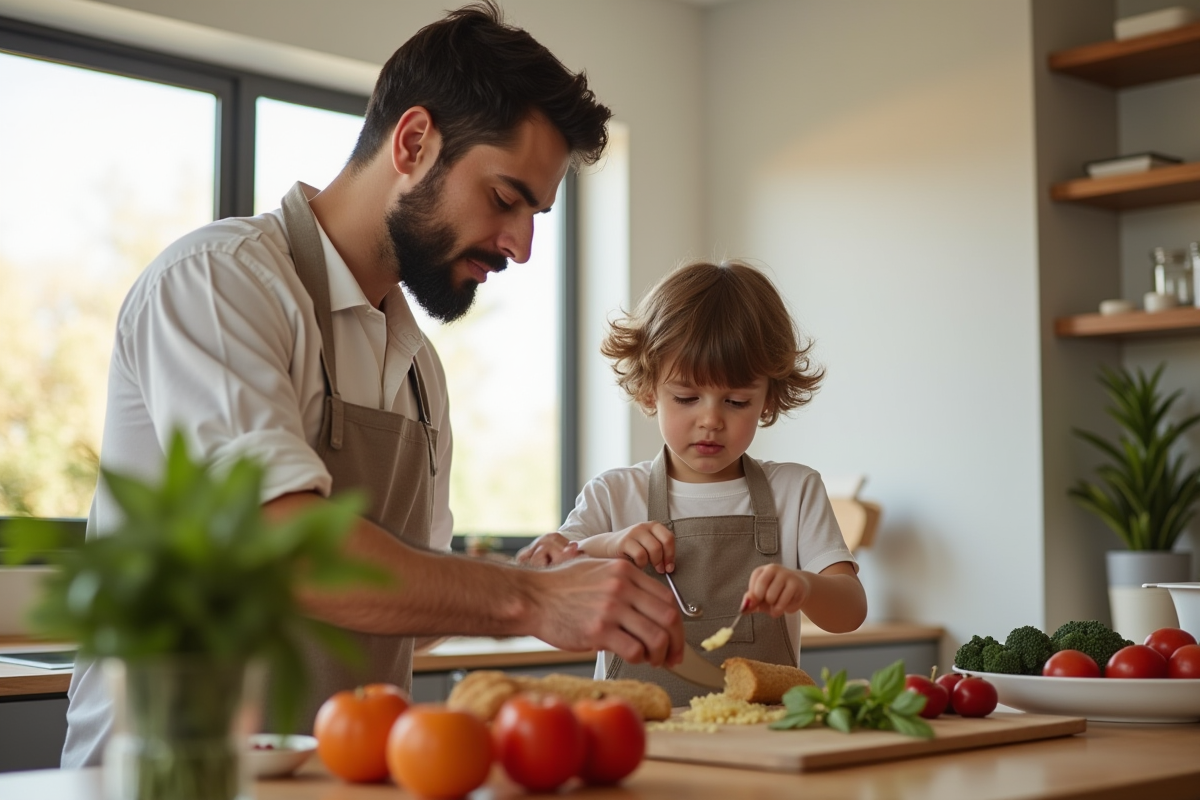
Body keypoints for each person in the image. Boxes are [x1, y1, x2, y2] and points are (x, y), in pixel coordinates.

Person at [61, 1, 684, 768]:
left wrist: (546, 572)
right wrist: (534, 600)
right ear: (415, 141)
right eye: (505, 198)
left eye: (537, 214)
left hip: (341, 777)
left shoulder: (418, 367)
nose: (522, 246)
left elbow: (411, 612)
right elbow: (282, 547)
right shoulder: (221, 283)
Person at [517, 260, 867, 706]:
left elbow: (851, 611)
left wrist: (807, 586)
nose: (710, 420)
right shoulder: (614, 495)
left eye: (736, 401)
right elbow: (537, 584)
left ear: (767, 400)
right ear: (649, 391)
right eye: (686, 398)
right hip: (636, 744)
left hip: (764, 744)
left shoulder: (794, 490)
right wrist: (607, 546)